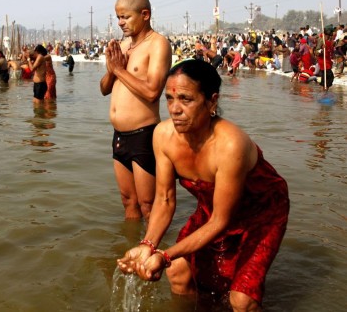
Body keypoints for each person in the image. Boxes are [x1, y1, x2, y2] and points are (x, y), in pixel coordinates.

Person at [117, 59, 289, 312]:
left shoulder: (231, 144)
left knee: (242, 300)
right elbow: (164, 200)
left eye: (186, 99)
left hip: (261, 213)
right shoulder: (163, 136)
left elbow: (221, 220)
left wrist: (164, 256)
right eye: (169, 99)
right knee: (178, 273)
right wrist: (147, 246)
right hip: (213, 209)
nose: (174, 109)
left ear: (212, 102)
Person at [100, 0, 172, 221]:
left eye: (125, 17)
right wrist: (113, 69)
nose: (120, 23)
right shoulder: (121, 46)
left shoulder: (158, 44)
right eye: (118, 17)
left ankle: (155, 254)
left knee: (148, 205)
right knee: (128, 202)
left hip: (143, 135)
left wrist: (119, 70)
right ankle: (129, 250)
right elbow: (103, 88)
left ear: (145, 14)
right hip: (119, 136)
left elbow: (152, 92)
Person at [316, 25, 335, 91]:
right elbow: (316, 52)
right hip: (323, 62)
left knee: (326, 78)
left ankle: (324, 91)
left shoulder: (328, 40)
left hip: (327, 61)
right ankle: (324, 91)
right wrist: (322, 49)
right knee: (329, 77)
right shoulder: (321, 40)